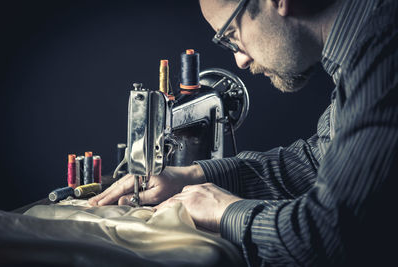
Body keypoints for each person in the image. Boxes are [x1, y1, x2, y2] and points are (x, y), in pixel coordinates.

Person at [89, 0, 398, 265]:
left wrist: (225, 212)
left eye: (232, 36)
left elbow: (329, 236)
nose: (240, 59)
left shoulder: (385, 56)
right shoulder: (364, 52)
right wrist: (191, 176)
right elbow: (313, 162)